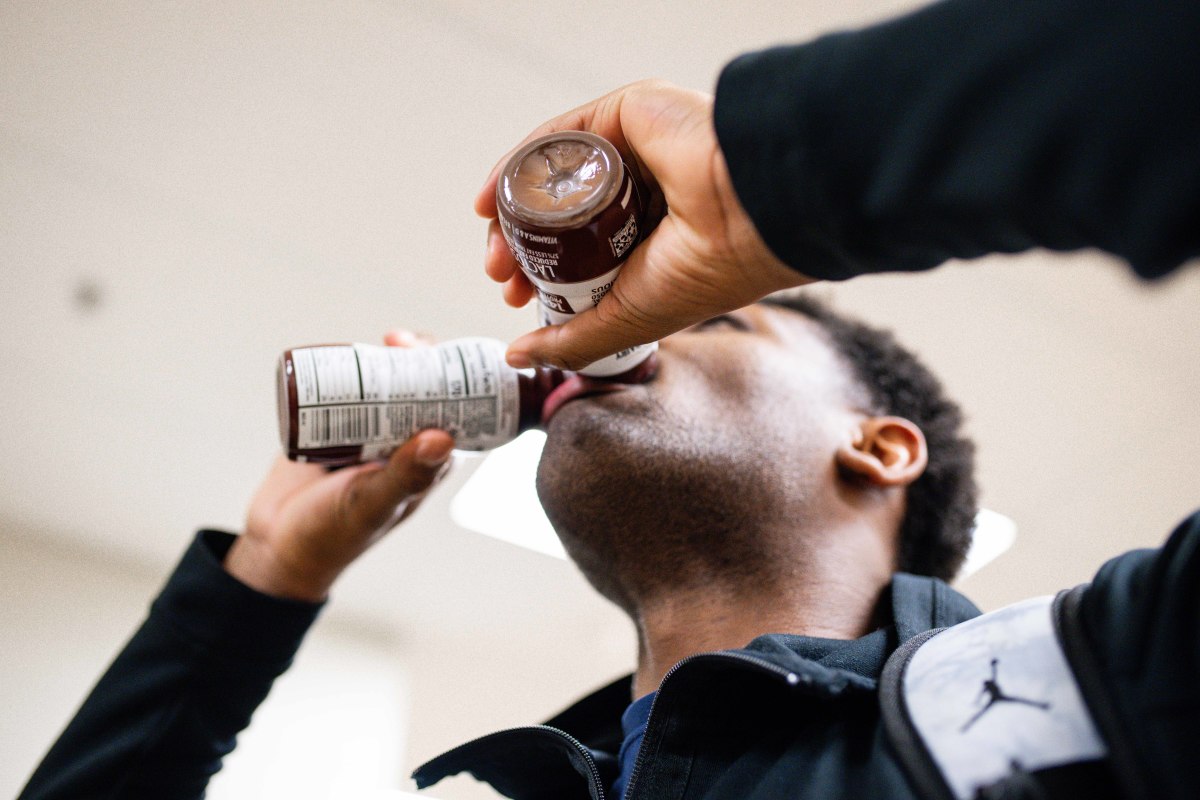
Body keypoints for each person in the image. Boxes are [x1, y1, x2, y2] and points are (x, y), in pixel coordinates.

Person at [19, 0, 1199, 797]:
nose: (624, 336)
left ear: (881, 447)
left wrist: (767, 185)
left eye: (717, 315)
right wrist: (258, 588)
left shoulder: (1103, 682)